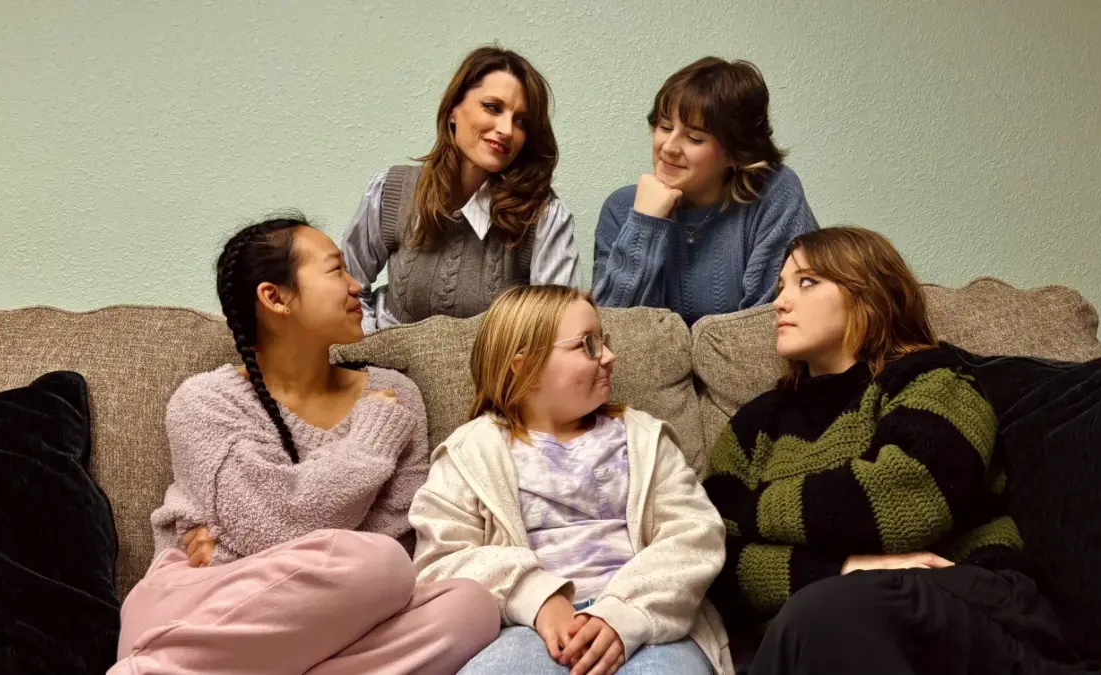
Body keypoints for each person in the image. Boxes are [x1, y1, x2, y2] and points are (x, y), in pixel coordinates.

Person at [702, 226, 1101, 675]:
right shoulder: (755, 425)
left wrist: (749, 508)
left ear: (866, 294)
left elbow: (903, 501)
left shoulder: (934, 381)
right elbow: (717, 560)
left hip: (966, 593)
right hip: (825, 626)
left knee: (826, 613)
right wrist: (845, 567)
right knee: (816, 617)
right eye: (781, 287)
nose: (779, 302)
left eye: (807, 282)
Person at [109, 214, 499, 675]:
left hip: (341, 616)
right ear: (275, 298)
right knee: (377, 564)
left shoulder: (395, 394)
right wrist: (371, 437)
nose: (357, 286)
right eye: (336, 270)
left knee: (471, 606)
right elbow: (273, 522)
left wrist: (230, 548)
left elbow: (398, 535)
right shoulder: (204, 402)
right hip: (199, 607)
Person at [409, 284, 732, 675]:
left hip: (643, 621)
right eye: (588, 345)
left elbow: (696, 534)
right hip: (524, 628)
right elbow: (439, 561)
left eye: (604, 341)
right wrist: (536, 598)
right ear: (525, 367)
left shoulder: (643, 439)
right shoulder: (470, 453)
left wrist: (623, 613)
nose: (609, 356)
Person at [342, 46, 581, 333]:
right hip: (386, 357)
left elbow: (559, 330)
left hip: (489, 364)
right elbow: (348, 289)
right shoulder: (391, 190)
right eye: (492, 107)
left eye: (521, 121)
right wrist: (371, 351)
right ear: (453, 109)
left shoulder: (544, 217)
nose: (507, 129)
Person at [593, 57, 817, 326]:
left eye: (694, 138)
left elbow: (770, 324)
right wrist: (644, 224)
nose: (669, 148)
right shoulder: (622, 208)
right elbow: (608, 329)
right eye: (665, 127)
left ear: (736, 153)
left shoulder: (773, 194)